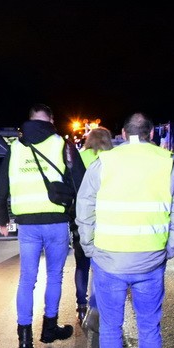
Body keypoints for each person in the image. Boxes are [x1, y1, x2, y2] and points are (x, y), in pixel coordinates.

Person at [76, 113, 174, 348]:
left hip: (109, 259)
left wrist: (89, 245)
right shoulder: (167, 162)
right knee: (149, 326)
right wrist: (170, 247)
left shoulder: (106, 162)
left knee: (111, 327)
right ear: (151, 134)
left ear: (123, 135)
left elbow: (84, 204)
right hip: (150, 259)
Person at [0, 103, 86, 348]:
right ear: (51, 120)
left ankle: (24, 339)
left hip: (27, 226)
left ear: (30, 120)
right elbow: (82, 182)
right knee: (54, 276)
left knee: (27, 280)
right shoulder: (62, 145)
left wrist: (2, 220)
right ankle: (49, 329)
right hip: (56, 222)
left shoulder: (15, 149)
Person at [73, 127, 113, 324]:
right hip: (105, 219)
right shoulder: (112, 159)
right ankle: (97, 308)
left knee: (82, 265)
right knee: (101, 267)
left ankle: (81, 305)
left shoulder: (80, 157)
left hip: (82, 217)